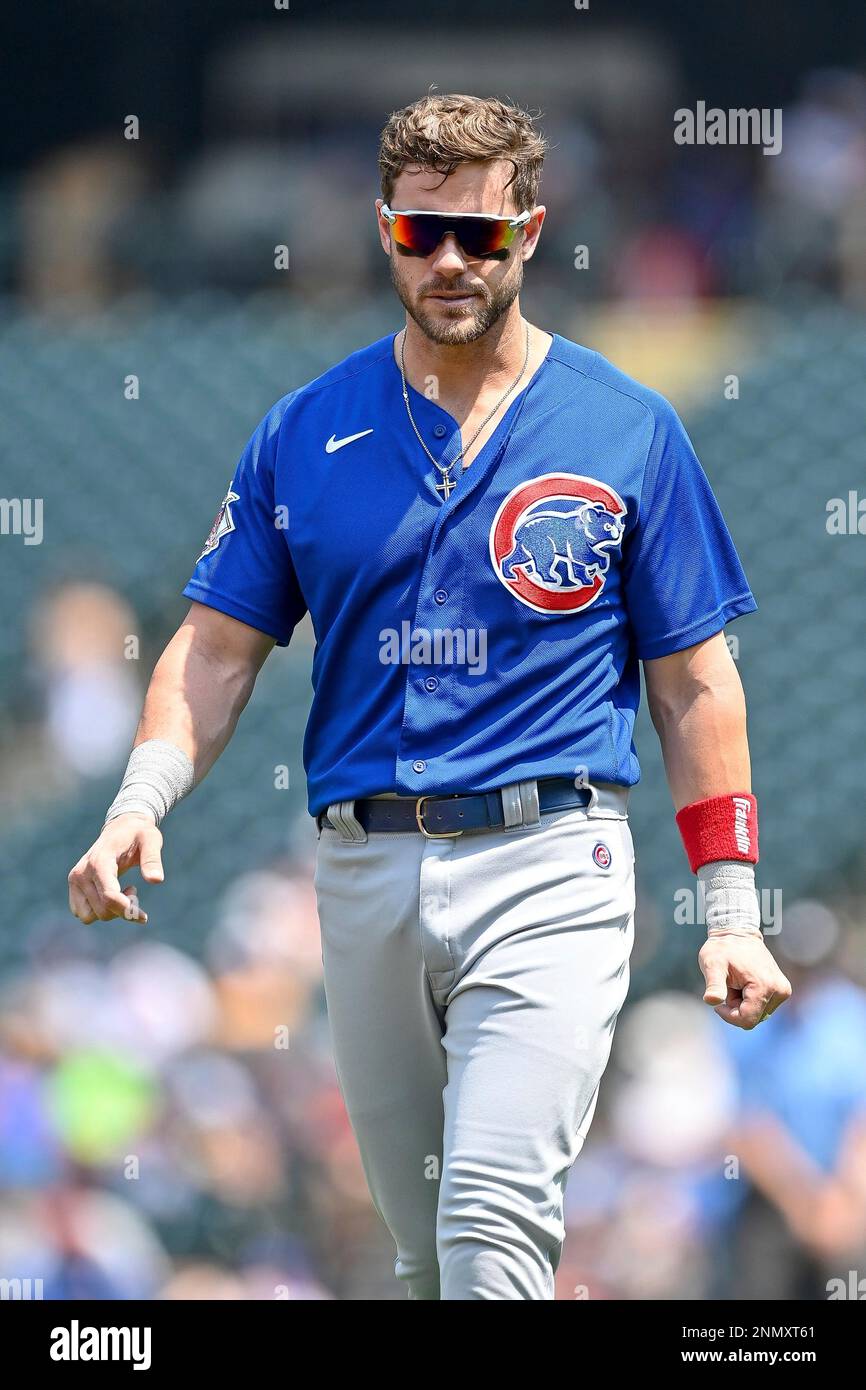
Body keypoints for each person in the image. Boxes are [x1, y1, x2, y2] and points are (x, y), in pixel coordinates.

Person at [68, 93, 791, 1301]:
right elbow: (215, 648)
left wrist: (727, 905)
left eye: (479, 235)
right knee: (420, 1257)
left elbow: (692, 681)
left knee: (488, 1234)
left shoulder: (626, 427)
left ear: (531, 233)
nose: (449, 261)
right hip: (364, 873)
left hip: (552, 859)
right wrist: (142, 795)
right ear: (383, 232)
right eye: (420, 235)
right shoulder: (305, 429)